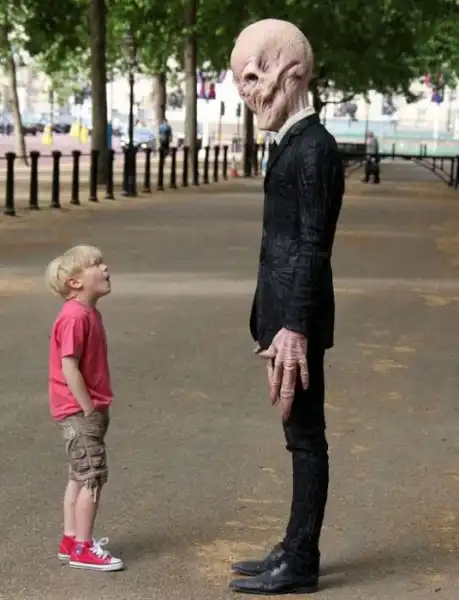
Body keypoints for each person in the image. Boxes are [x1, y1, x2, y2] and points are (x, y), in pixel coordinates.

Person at [229, 19, 344, 594]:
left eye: (254, 76)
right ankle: (294, 546)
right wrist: (271, 320)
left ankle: (300, 559)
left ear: (292, 73)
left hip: (297, 322)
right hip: (282, 319)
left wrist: (294, 327)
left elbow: (313, 246)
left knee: (305, 437)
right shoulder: (293, 144)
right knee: (298, 435)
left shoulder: (315, 149)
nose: (245, 92)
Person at [45, 245, 123, 572]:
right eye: (95, 264)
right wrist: (88, 408)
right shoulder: (75, 317)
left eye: (103, 262)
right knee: (92, 477)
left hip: (86, 410)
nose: (105, 268)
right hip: (79, 411)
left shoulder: (89, 314)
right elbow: (69, 366)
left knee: (78, 476)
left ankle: (70, 540)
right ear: (75, 282)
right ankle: (83, 547)